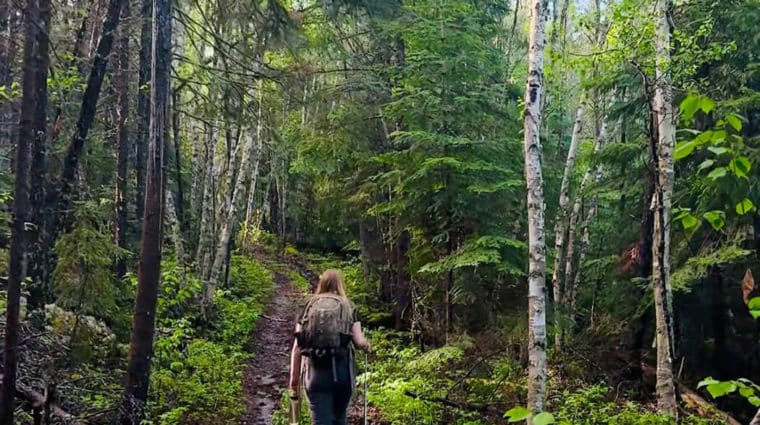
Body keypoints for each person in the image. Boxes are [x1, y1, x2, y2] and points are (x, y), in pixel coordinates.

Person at [289, 269, 370, 425]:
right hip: (342, 374)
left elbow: (298, 346)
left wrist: (293, 382)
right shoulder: (349, 306)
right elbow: (359, 342)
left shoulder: (309, 305)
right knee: (339, 419)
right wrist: (367, 345)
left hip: (315, 374)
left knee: (321, 420)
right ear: (340, 285)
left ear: (322, 284)